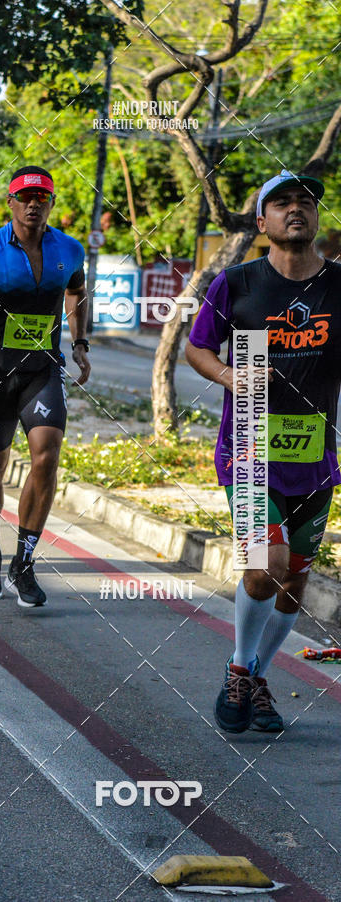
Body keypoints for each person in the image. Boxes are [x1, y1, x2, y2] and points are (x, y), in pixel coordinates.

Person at [186, 169, 341, 733]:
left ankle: (255, 676)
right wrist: (231, 376)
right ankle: (237, 667)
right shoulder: (240, 284)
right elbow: (197, 347)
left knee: (294, 580)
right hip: (249, 448)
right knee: (264, 567)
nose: (295, 209)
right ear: (262, 222)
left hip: (315, 459)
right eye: (281, 203)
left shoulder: (338, 285)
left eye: (305, 202)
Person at [0, 165, 90, 608]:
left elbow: (77, 293)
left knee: (47, 457)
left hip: (43, 370)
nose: (32, 204)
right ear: (9, 203)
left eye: (41, 197)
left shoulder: (70, 249)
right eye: (24, 197)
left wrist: (80, 342)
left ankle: (24, 562)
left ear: (51, 203)